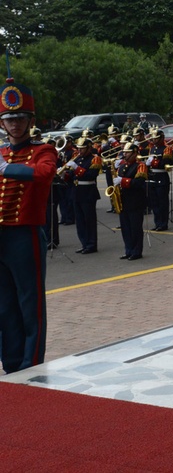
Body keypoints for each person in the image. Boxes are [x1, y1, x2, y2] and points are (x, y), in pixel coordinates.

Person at [0, 74, 58, 372]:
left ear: (30, 120)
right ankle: (11, 363)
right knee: (5, 305)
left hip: (25, 235)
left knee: (30, 304)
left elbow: (44, 173)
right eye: (9, 118)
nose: (15, 124)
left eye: (21, 118)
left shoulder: (43, 150)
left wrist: (7, 168)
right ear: (2, 123)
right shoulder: (1, 153)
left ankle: (31, 362)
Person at [113, 141, 147, 260]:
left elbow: (139, 183)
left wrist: (122, 181)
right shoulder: (122, 166)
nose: (125, 154)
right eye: (124, 152)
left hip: (135, 201)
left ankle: (136, 251)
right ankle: (128, 250)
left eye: (127, 153)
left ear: (134, 153)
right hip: (124, 201)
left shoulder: (140, 166)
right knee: (126, 228)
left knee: (135, 228)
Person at [67, 136, 101, 255]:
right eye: (79, 148)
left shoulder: (94, 159)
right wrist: (64, 174)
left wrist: (76, 169)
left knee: (89, 220)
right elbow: (71, 176)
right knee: (80, 221)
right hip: (76, 192)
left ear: (89, 148)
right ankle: (84, 243)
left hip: (88, 192)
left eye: (82, 148)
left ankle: (91, 244)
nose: (80, 151)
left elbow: (91, 175)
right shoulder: (77, 159)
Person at [145, 128, 173, 231]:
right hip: (153, 176)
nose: (154, 141)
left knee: (162, 202)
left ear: (162, 138)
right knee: (154, 202)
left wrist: (154, 162)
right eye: (153, 139)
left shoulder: (166, 148)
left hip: (161, 176)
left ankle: (163, 223)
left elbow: (165, 162)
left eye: (156, 139)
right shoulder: (152, 149)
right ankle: (157, 222)